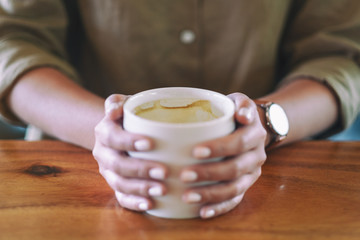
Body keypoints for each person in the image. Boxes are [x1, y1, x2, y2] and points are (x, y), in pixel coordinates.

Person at [0, 0, 359, 219]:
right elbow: (13, 42)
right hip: (69, 188)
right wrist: (102, 129)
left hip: (276, 184)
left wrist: (264, 124)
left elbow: (340, 57)